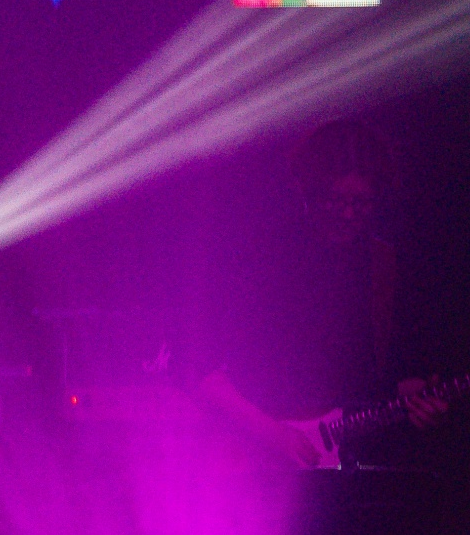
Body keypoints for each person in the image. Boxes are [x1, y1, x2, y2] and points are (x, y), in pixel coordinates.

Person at [189, 121, 448, 467]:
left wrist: (418, 403)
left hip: (350, 459)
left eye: (361, 203)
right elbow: (199, 365)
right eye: (334, 200)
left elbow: (387, 378)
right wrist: (271, 433)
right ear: (307, 190)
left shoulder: (385, 266)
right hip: (252, 458)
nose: (348, 214)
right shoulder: (261, 257)